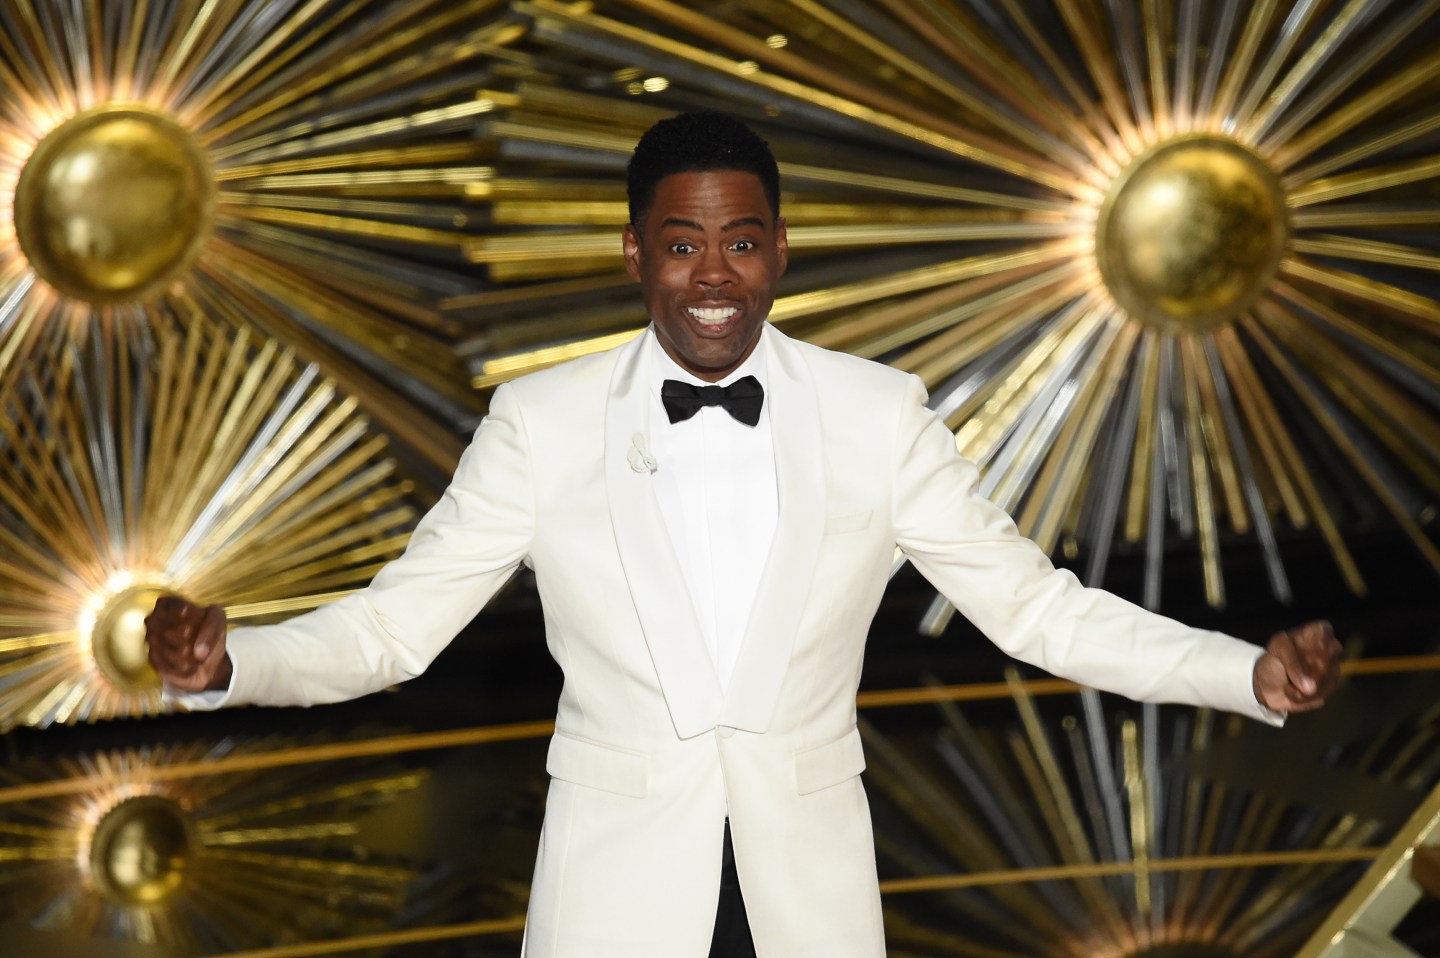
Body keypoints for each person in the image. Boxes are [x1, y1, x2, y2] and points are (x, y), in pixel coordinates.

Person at [147, 111, 1341, 958]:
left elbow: (1039, 609)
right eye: (680, 244)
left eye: (741, 241)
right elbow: (395, 633)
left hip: (806, 897)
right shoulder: (541, 421)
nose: (712, 276)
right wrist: (234, 662)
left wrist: (1244, 671)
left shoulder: (879, 414)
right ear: (634, 254)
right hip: (613, 896)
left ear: (779, 248)